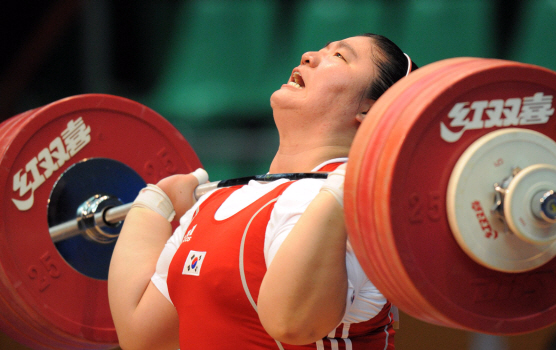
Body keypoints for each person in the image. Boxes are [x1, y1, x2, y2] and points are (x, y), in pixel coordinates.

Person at [108, 33, 418, 350]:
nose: (309, 55)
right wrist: (154, 207)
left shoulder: (354, 212)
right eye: (321, 50)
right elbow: (144, 337)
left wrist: (346, 188)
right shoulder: (215, 202)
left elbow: (293, 324)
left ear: (372, 110)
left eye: (339, 56)